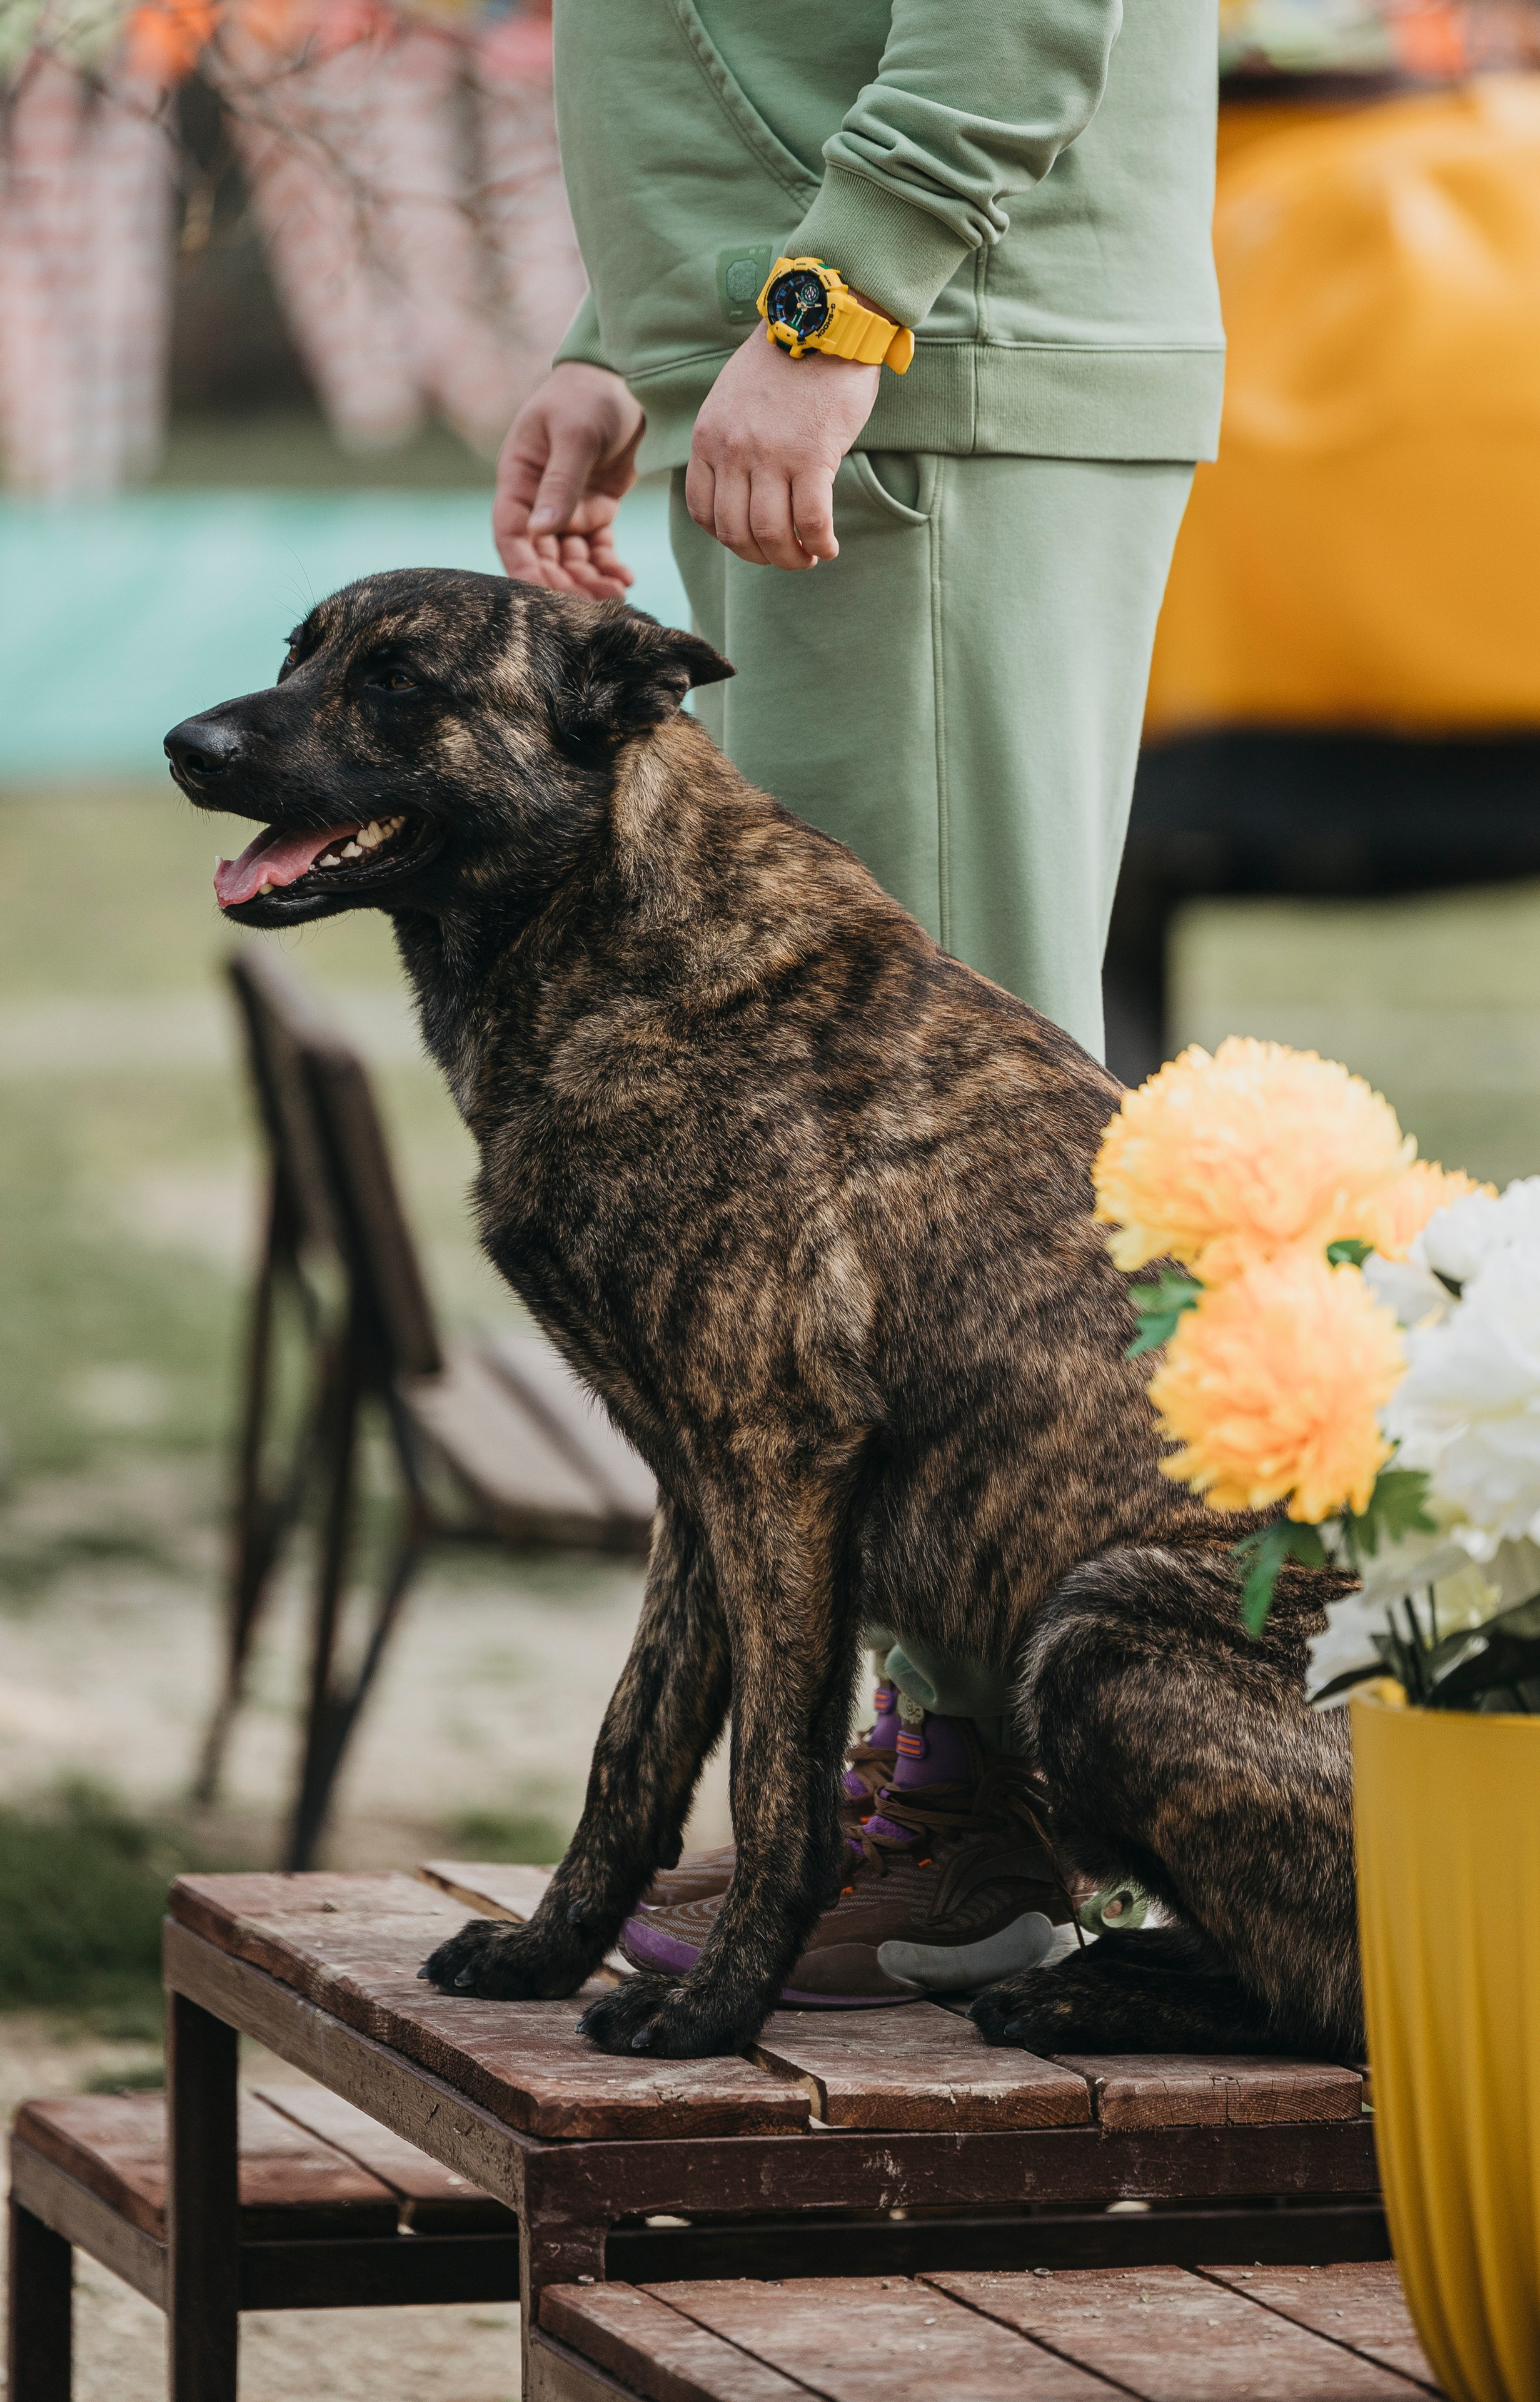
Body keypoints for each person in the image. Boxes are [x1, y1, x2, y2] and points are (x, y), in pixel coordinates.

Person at [493, 0, 1220, 1987]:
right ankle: (946, 1766)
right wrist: (632, 324)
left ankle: (985, 1808)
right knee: (843, 1167)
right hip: (869, 352)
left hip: (921, 358)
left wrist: (832, 311)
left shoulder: (865, 326)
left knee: (931, 1174)